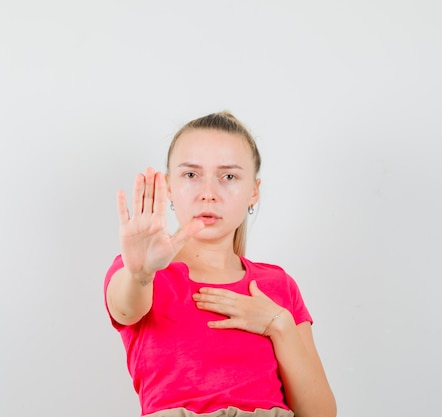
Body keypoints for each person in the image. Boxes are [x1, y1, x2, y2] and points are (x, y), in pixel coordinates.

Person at [104, 112, 336, 417]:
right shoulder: (141, 272)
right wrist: (141, 274)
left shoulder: (278, 286)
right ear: (170, 187)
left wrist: (279, 325)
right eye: (191, 175)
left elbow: (320, 413)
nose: (208, 194)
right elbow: (125, 307)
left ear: (254, 191)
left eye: (228, 176)